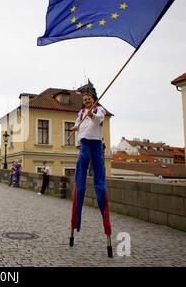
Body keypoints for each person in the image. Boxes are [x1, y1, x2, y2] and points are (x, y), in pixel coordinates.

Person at [69, 87, 112, 257]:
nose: (86, 101)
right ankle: (75, 223)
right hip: (85, 142)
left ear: (93, 99)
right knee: (82, 159)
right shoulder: (80, 113)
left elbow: (99, 120)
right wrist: (73, 129)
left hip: (96, 142)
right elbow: (77, 125)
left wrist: (92, 115)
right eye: (85, 99)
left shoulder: (98, 109)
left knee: (99, 175)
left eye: (88, 99)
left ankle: (99, 184)